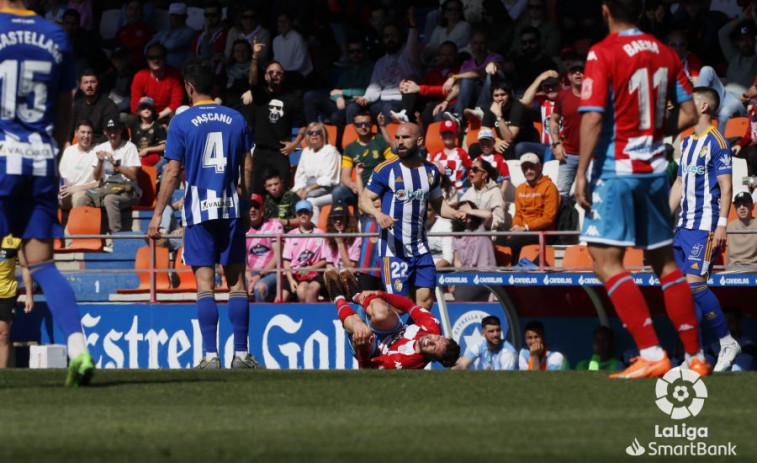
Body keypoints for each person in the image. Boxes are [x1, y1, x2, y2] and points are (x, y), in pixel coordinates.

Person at [575, 0, 709, 379]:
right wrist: (654, 134)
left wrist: (581, 172)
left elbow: (594, 118)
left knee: (605, 261)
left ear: (604, 10)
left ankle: (651, 351)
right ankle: (695, 357)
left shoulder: (603, 52)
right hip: (653, 170)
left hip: (616, 171)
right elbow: (689, 112)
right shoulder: (664, 52)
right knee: (665, 263)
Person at [0, 0, 94, 385]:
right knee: (42, 266)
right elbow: (64, 107)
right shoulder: (56, 35)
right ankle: (78, 349)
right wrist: (52, 155)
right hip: (39, 160)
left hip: (2, 155)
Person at [147, 58, 261, 370]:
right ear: (213, 87)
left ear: (189, 87)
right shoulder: (235, 119)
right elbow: (248, 164)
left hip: (198, 211)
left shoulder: (181, 122)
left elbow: (171, 172)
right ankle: (241, 354)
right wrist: (246, 201)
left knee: (205, 284)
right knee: (237, 283)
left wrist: (157, 215)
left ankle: (211, 356)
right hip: (230, 208)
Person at [669, 87, 741, 373]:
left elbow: (726, 187)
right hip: (682, 226)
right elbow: (678, 185)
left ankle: (726, 342)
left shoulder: (717, 142)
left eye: (689, 103)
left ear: (703, 107)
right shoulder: (686, 142)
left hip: (705, 225)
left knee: (695, 284)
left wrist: (722, 224)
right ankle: (693, 356)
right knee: (682, 292)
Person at [359, 123, 463, 309]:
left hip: (421, 249)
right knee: (400, 307)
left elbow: (438, 203)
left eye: (405, 138)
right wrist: (378, 214)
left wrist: (455, 213)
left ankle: (414, 337)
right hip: (394, 251)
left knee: (425, 303)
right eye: (397, 137)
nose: (400, 142)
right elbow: (364, 200)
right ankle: (374, 323)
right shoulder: (386, 169)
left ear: (420, 141)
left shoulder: (431, 171)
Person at [324, 272, 461, 369]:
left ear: (432, 359)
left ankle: (337, 296)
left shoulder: (404, 363)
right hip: (392, 328)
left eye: (433, 347)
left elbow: (366, 370)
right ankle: (356, 295)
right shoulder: (433, 325)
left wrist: (363, 349)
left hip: (371, 348)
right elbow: (408, 305)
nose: (430, 340)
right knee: (381, 313)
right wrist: (380, 293)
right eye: (436, 338)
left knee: (363, 331)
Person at [247, 55, 306, 194]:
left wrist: (295, 144)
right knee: (256, 194)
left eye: (278, 73)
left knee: (281, 194)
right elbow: (252, 79)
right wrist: (255, 57)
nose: (275, 75)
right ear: (266, 76)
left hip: (280, 153)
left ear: (283, 76)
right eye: (271, 72)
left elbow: (304, 125)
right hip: (260, 152)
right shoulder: (259, 94)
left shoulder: (292, 98)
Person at [84, 118, 142, 236]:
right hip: (107, 188)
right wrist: (100, 162)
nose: (112, 134)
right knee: (82, 199)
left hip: (128, 191)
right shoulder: (101, 147)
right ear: (105, 132)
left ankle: (116, 236)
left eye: (115, 130)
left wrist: (115, 163)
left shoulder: (130, 147)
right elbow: (96, 177)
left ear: (121, 130)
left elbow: (132, 176)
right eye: (109, 131)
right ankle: (90, 235)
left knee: (110, 199)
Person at [506, 153, 559, 260]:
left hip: (544, 232)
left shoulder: (550, 187)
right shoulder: (520, 188)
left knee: (513, 241)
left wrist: (525, 228)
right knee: (499, 239)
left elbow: (549, 218)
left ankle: (514, 272)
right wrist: (516, 227)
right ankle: (495, 274)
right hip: (524, 231)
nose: (528, 171)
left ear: (539, 167)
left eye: (532, 167)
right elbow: (518, 214)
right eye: (525, 168)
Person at [335, 111, 393, 207]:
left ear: (372, 124)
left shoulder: (380, 140)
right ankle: (348, 220)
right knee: (338, 192)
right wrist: (351, 185)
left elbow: (392, 163)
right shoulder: (350, 148)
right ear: (354, 126)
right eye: (359, 124)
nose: (363, 127)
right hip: (360, 189)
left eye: (367, 124)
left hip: (380, 187)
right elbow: (345, 177)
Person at [290, 122, 341, 224]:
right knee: (289, 198)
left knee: (310, 202)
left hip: (329, 190)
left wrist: (307, 190)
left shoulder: (331, 151)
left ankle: (314, 234)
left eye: (318, 132)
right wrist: (297, 191)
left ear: (324, 135)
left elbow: (328, 179)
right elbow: (300, 176)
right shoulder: (305, 152)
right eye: (310, 132)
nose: (314, 134)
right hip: (308, 188)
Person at [549, 58, 584, 200]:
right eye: (573, 71)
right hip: (568, 154)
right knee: (561, 194)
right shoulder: (562, 96)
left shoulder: (597, 94)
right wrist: (557, 144)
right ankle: (563, 223)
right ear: (568, 76)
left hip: (593, 155)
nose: (578, 74)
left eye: (581, 71)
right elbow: (553, 121)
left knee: (592, 195)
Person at [281, 200, 326, 303]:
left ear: (311, 214)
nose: (303, 215)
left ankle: (309, 317)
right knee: (301, 291)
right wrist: (291, 280)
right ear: (296, 215)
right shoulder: (291, 234)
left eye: (306, 212)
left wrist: (311, 268)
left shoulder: (320, 233)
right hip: (295, 273)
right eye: (300, 213)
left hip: (315, 273)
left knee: (311, 290)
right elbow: (286, 261)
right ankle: (306, 317)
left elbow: (324, 260)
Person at [130, 43, 185, 124]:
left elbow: (177, 102)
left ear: (165, 58)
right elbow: (134, 106)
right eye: (152, 58)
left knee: (177, 116)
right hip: (145, 116)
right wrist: (148, 118)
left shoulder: (174, 75)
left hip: (167, 115)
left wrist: (158, 116)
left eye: (159, 57)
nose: (156, 61)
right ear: (147, 60)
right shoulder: (140, 76)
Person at [0, 235, 33, 368]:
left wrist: (29, 295)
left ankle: (2, 374)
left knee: (3, 334)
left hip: (7, 293)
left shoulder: (14, 240)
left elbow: (25, 267)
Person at [246, 193, 284, 303]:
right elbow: (242, 262)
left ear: (262, 210)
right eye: (249, 206)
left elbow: (277, 257)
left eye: (256, 206)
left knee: (260, 288)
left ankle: (260, 319)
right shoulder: (242, 228)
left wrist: (259, 275)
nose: (252, 210)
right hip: (250, 273)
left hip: (271, 272)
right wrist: (250, 279)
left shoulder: (274, 225)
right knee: (238, 288)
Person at [70, 69, 119, 145]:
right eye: (86, 82)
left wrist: (90, 146)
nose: (89, 85)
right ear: (81, 86)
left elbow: (110, 134)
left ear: (98, 84)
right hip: (79, 145)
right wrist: (67, 142)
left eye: (92, 82)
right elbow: (69, 129)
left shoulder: (109, 106)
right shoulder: (77, 105)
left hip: (100, 146)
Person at [59, 120, 98, 211]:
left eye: (89, 133)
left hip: (86, 191)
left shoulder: (97, 151)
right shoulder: (69, 151)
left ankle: (72, 225)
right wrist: (62, 188)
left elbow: (99, 182)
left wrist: (76, 189)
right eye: (83, 132)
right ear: (76, 133)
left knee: (79, 199)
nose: (86, 136)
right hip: (68, 190)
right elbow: (62, 176)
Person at [459, 157, 507, 231]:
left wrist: (482, 227)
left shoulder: (496, 192)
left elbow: (499, 219)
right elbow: (461, 210)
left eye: (475, 170)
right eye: (470, 169)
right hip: (469, 232)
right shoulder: (469, 191)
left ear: (484, 174)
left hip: (488, 234)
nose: (471, 172)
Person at [453, 315, 517, 370]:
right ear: (483, 333)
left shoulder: (508, 352)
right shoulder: (480, 345)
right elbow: (462, 364)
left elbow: (506, 379)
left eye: (498, 330)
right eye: (491, 331)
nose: (496, 334)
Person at [144, 2, 195, 70]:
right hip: (160, 68)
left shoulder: (189, 31)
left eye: (177, 16)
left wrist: (158, 43)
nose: (174, 18)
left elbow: (171, 45)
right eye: (172, 15)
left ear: (185, 17)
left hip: (176, 69)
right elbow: (147, 47)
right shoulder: (164, 31)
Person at [428, 120, 471, 193]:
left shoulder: (462, 153)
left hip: (459, 191)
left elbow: (470, 169)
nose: (448, 136)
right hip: (441, 191)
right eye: (445, 133)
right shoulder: (436, 156)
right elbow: (431, 174)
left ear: (456, 135)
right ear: (441, 136)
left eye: (451, 133)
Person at [129, 97, 166, 168]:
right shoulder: (134, 127)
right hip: (137, 155)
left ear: (153, 110)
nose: (146, 110)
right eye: (143, 108)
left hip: (153, 156)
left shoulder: (158, 127)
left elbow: (164, 146)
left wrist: (148, 150)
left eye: (149, 108)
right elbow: (132, 144)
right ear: (139, 111)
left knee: (142, 163)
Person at [726, 192, 757, 269]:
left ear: (752, 206)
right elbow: (728, 251)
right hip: (733, 269)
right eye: (738, 205)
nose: (742, 207)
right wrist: (726, 271)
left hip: (753, 269)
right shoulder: (730, 226)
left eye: (745, 204)